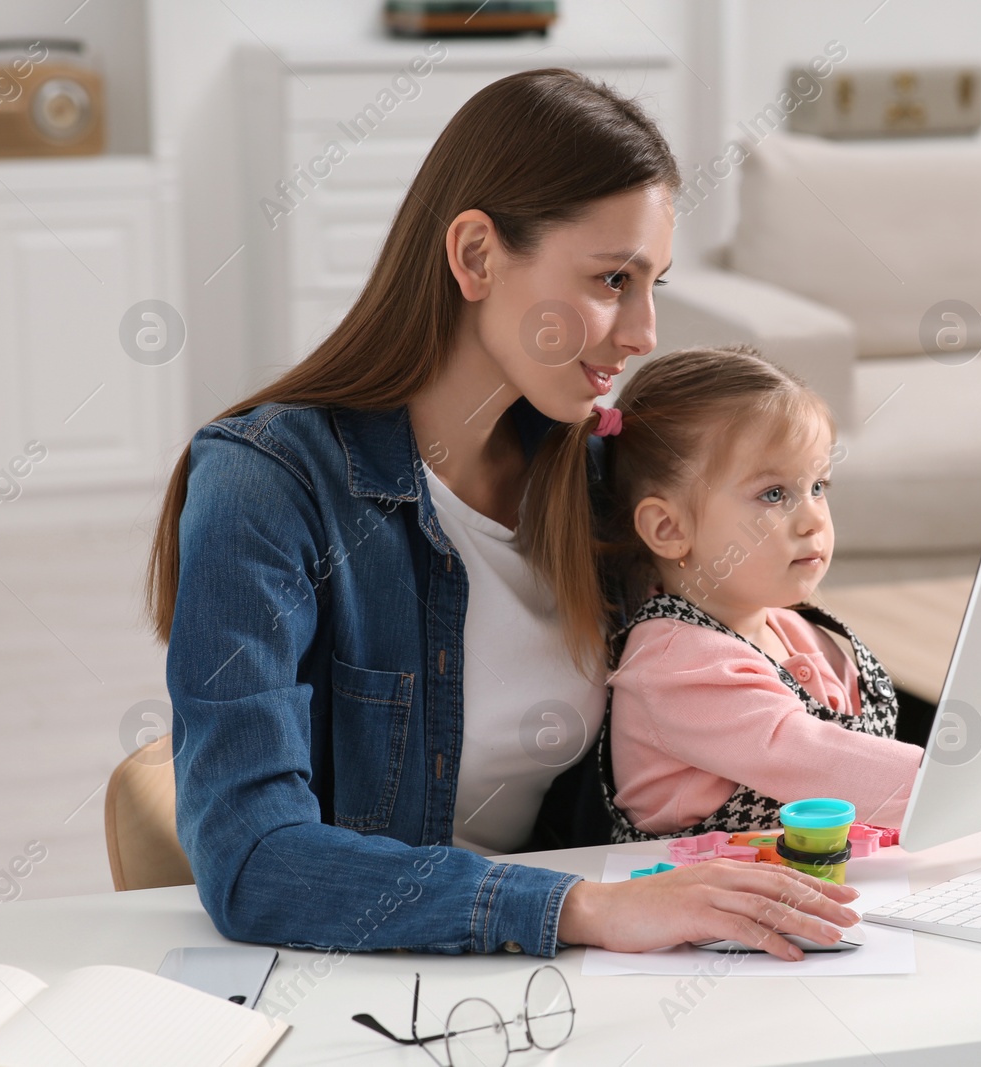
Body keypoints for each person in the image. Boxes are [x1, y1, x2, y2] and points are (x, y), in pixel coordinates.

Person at [149, 68, 858, 963]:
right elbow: (254, 861)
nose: (642, 332)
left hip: (585, 970)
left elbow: (739, 683)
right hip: (368, 981)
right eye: (611, 279)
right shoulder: (267, 487)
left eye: (655, 287)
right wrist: (581, 908)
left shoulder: (599, 485)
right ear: (477, 256)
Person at [517, 345, 981, 863]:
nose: (812, 518)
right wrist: (968, 789)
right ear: (669, 529)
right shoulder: (673, 662)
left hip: (812, 890)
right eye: (774, 493)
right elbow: (800, 751)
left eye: (818, 486)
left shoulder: (795, 632)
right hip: (704, 926)